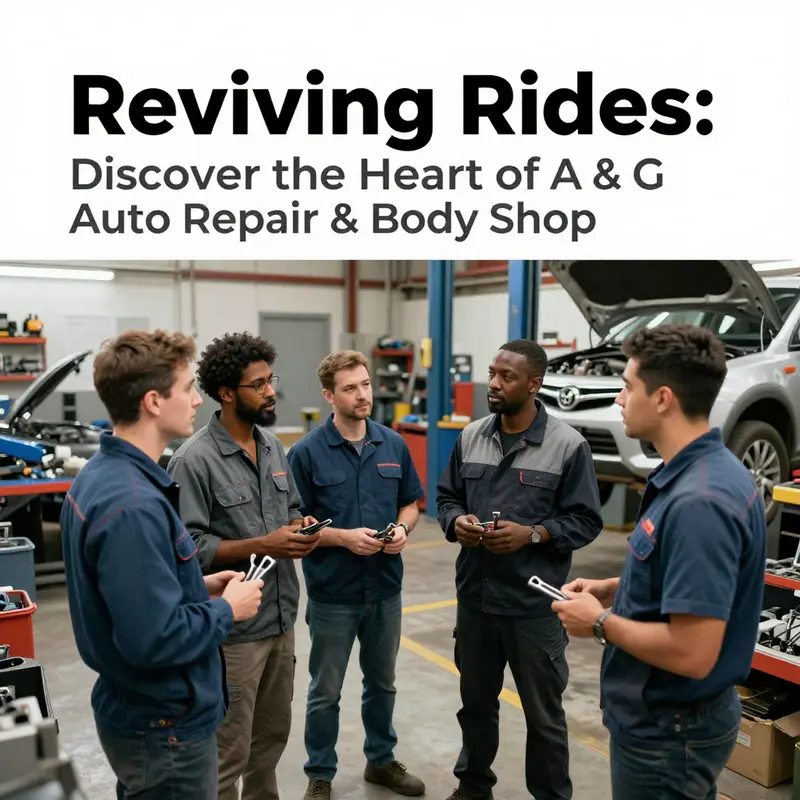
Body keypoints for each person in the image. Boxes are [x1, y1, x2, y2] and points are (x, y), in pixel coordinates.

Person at [552, 324, 766, 800]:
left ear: (664, 398)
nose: (620, 400)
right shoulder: (700, 472)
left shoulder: (700, 501)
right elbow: (690, 574)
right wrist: (619, 587)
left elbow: (693, 652)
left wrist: (601, 622)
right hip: (671, 718)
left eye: (628, 387)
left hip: (670, 730)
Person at [60, 330, 264, 800]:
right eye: (188, 388)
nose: (197, 400)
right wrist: (227, 609)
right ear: (153, 401)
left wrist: (197, 584)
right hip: (165, 724)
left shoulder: (101, 476)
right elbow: (153, 638)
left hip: (138, 712)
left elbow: (130, 598)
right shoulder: (132, 504)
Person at [436, 338, 604, 800]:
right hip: (476, 601)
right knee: (475, 706)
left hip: (534, 607)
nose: (493, 383)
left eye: (506, 376)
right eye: (492, 373)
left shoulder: (568, 446)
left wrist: (533, 534)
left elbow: (587, 520)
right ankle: (472, 788)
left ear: (535, 383)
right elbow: (447, 497)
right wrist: (457, 522)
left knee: (544, 716)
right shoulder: (471, 437)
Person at [166, 332, 321, 800]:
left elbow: (291, 506)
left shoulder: (273, 446)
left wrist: (301, 524)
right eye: (259, 384)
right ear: (228, 393)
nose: (271, 391)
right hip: (232, 634)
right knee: (227, 750)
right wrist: (265, 544)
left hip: (280, 619)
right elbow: (187, 547)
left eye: (271, 379)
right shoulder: (193, 461)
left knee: (270, 742)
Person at [286, 350, 426, 800]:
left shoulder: (393, 443)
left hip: (385, 588)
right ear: (329, 395)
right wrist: (343, 538)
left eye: (365, 384)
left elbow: (411, 502)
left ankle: (380, 762)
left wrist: (403, 529)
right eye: (350, 388)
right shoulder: (305, 453)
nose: (362, 394)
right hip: (333, 593)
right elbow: (296, 523)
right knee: (325, 690)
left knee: (382, 682)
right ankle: (320, 773)